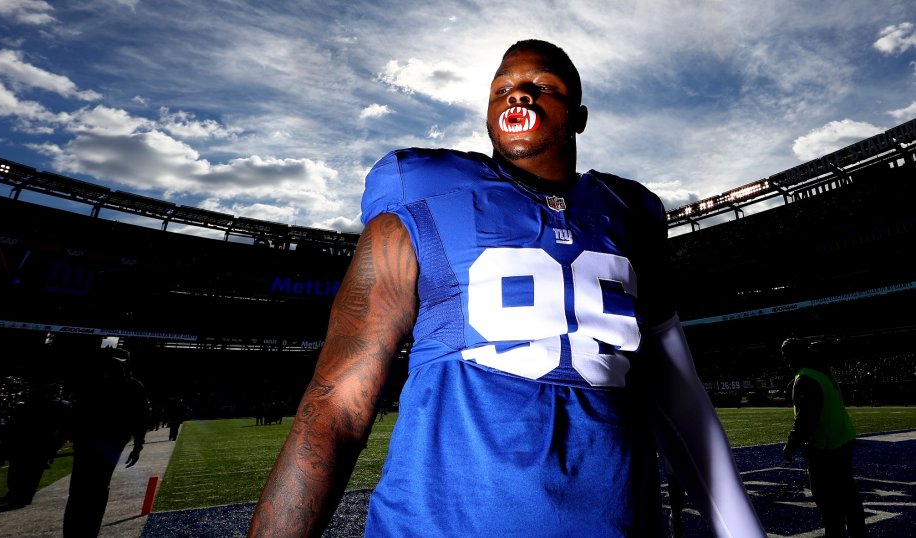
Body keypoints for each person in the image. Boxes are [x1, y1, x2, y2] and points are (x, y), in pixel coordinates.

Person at [249, 39, 764, 537]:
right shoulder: (422, 194)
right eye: (503, 88)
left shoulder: (629, 215)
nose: (520, 95)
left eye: (543, 86)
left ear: (580, 116)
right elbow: (335, 406)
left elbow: (679, 395)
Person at [781, 336, 867, 537]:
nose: (785, 359)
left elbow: (806, 417)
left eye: (786, 354)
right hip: (843, 438)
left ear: (795, 354)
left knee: (827, 500)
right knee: (848, 495)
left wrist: (791, 444)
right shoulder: (821, 370)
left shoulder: (805, 378)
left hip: (825, 447)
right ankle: (858, 533)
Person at [63, 347, 149, 537]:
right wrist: (137, 445)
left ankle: (82, 531)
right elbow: (140, 417)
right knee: (86, 489)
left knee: (91, 488)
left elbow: (140, 417)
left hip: (105, 441)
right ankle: (80, 531)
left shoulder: (125, 385)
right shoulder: (105, 383)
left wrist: (138, 445)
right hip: (99, 440)